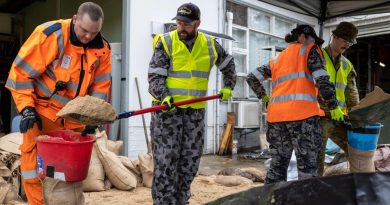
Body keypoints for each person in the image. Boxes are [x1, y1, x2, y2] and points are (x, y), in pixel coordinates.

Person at [5, 2, 111, 204]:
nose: (88, 37)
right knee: (34, 164)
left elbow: (101, 85)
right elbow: (21, 73)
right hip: (41, 112)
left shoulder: (102, 48)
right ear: (75, 19)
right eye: (84, 30)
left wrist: (92, 117)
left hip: (74, 116)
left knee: (69, 169)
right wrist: (27, 109)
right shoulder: (50, 35)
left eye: (94, 33)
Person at [148, 3, 236, 204]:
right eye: (179, 22)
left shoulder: (210, 44)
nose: (181, 27)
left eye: (186, 24)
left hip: (195, 114)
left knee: (189, 163)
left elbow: (229, 65)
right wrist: (163, 95)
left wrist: (228, 86)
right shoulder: (166, 42)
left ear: (197, 23)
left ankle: (181, 200)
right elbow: (154, 76)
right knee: (166, 163)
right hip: (167, 112)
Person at [246, 24, 343, 184]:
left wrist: (265, 98)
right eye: (313, 39)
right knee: (307, 168)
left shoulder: (276, 59)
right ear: (303, 37)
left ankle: (271, 200)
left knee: (277, 167)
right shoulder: (310, 50)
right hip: (303, 118)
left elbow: (252, 77)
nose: (315, 43)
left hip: (276, 119)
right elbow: (322, 79)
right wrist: (334, 106)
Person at [318, 22, 360, 175]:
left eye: (350, 42)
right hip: (319, 117)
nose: (347, 45)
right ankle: (317, 187)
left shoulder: (347, 65)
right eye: (344, 40)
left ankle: (357, 182)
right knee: (317, 156)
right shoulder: (317, 58)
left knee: (355, 148)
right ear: (334, 36)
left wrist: (357, 116)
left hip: (339, 118)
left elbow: (352, 94)